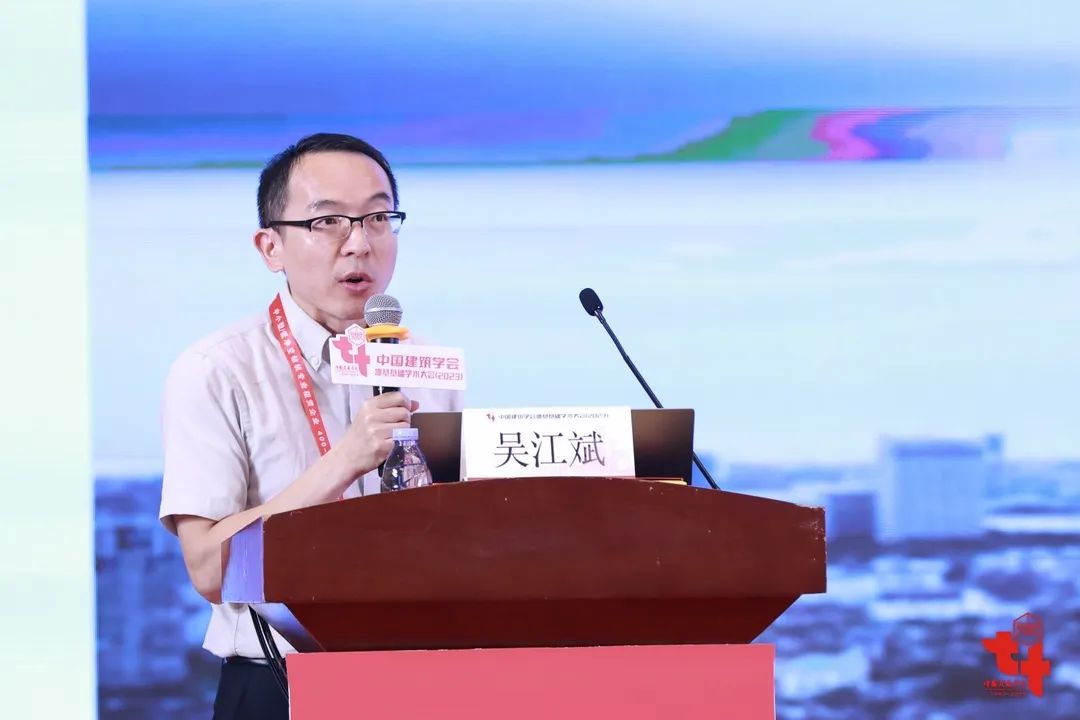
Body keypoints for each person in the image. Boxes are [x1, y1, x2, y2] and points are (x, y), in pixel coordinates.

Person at [158, 133, 462, 719]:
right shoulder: (217, 370)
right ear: (270, 246)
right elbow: (208, 567)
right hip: (277, 687)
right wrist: (343, 462)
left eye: (378, 218)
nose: (360, 243)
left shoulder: (428, 366)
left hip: (416, 682)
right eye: (328, 222)